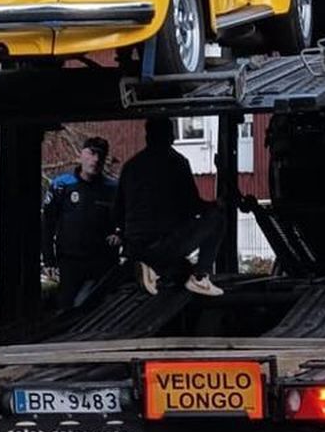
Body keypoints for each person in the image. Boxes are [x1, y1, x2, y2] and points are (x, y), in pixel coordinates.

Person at [112, 118, 224, 297]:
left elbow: (117, 211)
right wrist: (215, 205)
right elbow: (192, 206)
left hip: (134, 248)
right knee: (217, 218)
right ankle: (200, 277)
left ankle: (151, 269)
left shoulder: (130, 166)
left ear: (147, 137)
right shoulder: (177, 162)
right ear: (170, 137)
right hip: (165, 245)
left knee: (179, 268)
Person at [41, 136, 119, 310]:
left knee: (98, 310)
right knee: (67, 309)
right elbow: (47, 223)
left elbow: (125, 219)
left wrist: (119, 234)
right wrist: (48, 260)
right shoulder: (62, 185)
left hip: (101, 261)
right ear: (81, 155)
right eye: (92, 153)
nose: (95, 159)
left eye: (101, 155)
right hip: (70, 261)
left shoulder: (112, 188)